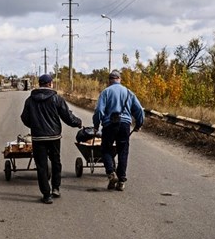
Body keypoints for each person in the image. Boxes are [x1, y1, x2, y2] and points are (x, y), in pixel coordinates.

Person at [20, 74, 82, 204]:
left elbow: (24, 118)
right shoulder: (56, 99)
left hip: (38, 138)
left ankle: (46, 195)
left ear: (40, 84)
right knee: (56, 162)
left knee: (41, 166)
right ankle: (56, 188)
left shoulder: (30, 100)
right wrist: (78, 123)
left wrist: (34, 126)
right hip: (54, 137)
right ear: (50, 84)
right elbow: (67, 116)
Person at [92, 70, 144, 191]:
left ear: (109, 80)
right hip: (125, 125)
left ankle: (111, 173)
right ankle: (121, 180)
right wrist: (139, 124)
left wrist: (96, 125)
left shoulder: (105, 92)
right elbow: (139, 110)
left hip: (109, 125)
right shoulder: (128, 92)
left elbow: (99, 111)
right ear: (119, 79)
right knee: (123, 151)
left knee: (106, 149)